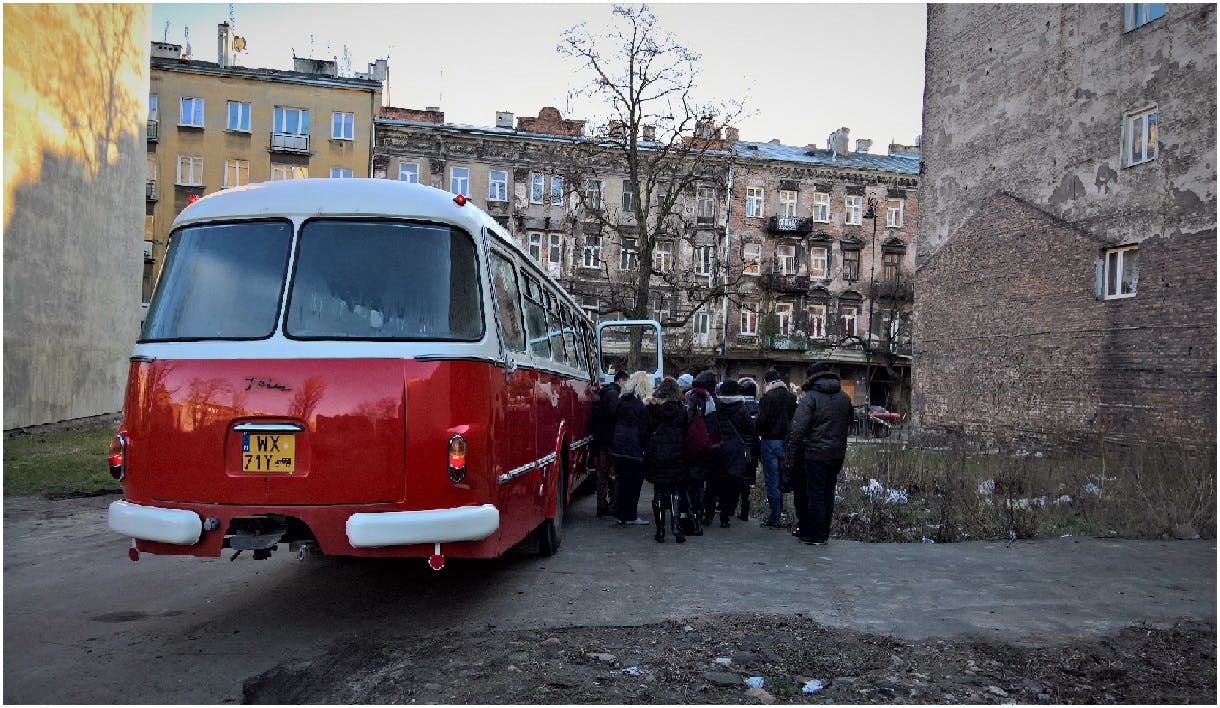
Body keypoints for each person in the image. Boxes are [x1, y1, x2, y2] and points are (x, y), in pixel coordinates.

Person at [783, 362, 853, 545]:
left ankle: (814, 534)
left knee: (815, 493)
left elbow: (798, 430)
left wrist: (790, 457)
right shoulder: (844, 398)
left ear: (812, 378)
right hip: (837, 453)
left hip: (815, 453)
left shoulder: (811, 398)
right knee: (829, 492)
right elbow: (849, 423)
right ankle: (823, 533)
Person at [704, 379, 758, 528]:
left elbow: (709, 425)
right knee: (730, 485)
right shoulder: (742, 408)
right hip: (734, 450)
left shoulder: (715, 405)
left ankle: (708, 515)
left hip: (716, 447)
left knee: (712, 484)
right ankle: (725, 518)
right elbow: (751, 429)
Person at [644, 377, 688, 543]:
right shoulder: (681, 410)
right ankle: (676, 526)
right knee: (676, 491)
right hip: (676, 453)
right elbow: (686, 431)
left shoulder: (653, 410)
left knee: (659, 492)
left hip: (657, 454)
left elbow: (645, 432)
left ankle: (660, 530)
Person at [756, 369, 797, 529]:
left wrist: (757, 433)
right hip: (785, 443)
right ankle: (781, 513)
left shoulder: (767, 397)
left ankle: (775, 517)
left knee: (772, 481)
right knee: (781, 479)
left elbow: (761, 421)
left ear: (766, 382)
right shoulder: (791, 397)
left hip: (769, 442)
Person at [611, 371, 653, 526]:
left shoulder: (621, 401)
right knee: (634, 484)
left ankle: (622, 514)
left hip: (619, 446)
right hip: (634, 449)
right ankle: (630, 516)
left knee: (622, 482)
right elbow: (644, 430)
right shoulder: (640, 406)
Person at [683, 369, 720, 535]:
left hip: (695, 445)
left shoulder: (694, 397)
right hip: (711, 445)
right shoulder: (714, 399)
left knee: (693, 482)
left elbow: (688, 420)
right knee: (706, 482)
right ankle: (704, 514)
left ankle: (693, 517)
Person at [591, 370, 628, 517]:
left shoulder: (606, 392)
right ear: (620, 380)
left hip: (603, 439)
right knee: (614, 474)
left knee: (603, 474)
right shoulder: (614, 394)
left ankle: (602, 505)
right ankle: (614, 505)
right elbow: (615, 414)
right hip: (611, 439)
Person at [732, 377, 761, 521]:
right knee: (747, 482)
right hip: (753, 448)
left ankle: (731, 508)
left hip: (738, 446)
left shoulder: (737, 407)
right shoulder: (758, 407)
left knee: (735, 478)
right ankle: (744, 510)